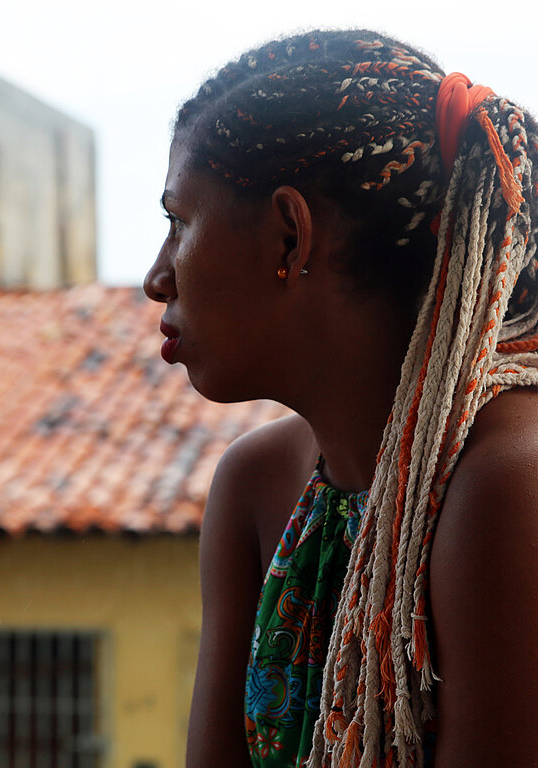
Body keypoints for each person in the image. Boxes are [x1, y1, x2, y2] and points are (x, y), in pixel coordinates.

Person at [143, 29, 538, 768]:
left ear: (291, 236)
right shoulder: (255, 489)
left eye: (179, 223)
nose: (156, 277)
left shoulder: (508, 488)